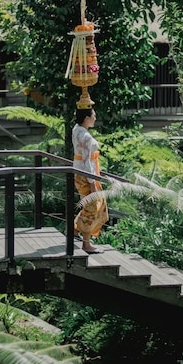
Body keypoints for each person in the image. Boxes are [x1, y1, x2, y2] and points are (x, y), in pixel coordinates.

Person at [72, 107, 108, 254]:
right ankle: (86, 244)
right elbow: (87, 162)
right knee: (92, 208)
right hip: (86, 175)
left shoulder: (76, 129)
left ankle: (74, 230)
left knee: (90, 204)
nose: (95, 118)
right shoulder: (86, 136)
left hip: (79, 172)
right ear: (87, 118)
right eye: (93, 116)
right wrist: (92, 183)